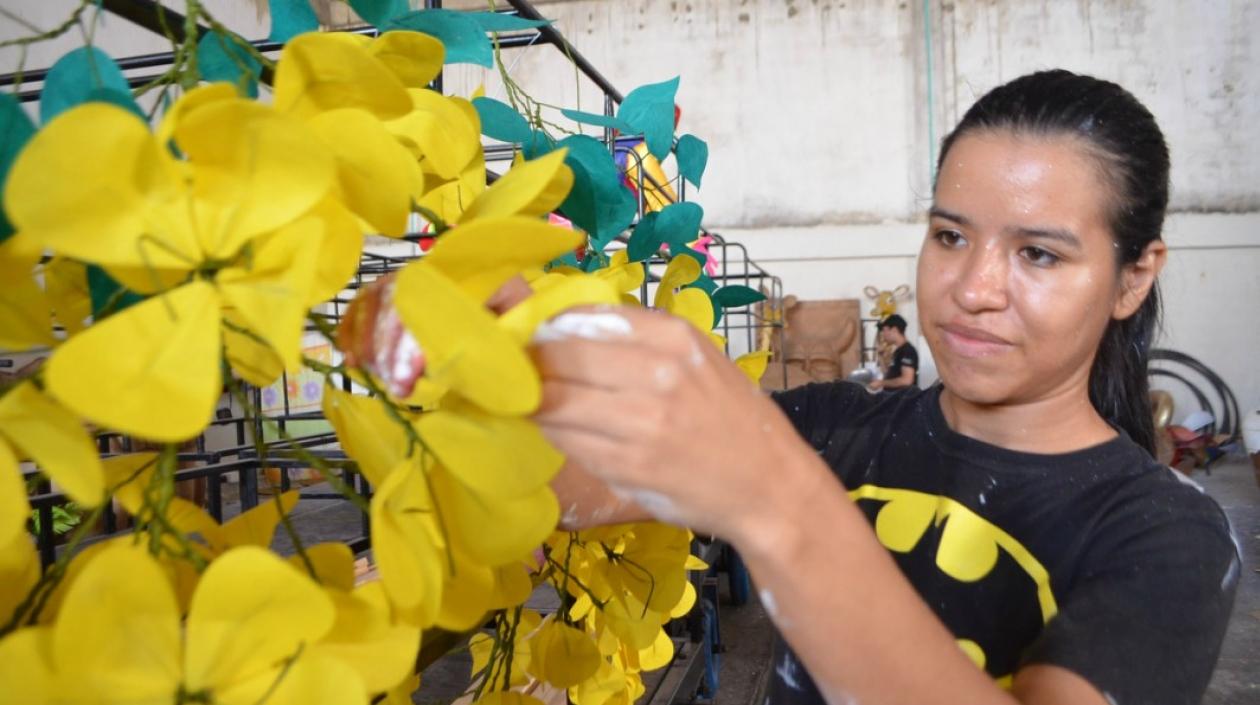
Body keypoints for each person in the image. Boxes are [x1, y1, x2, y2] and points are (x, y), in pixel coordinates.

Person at [529, 70, 1239, 705]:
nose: (973, 288)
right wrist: (496, 388)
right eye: (951, 237)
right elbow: (583, 484)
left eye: (1038, 253)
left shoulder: (1167, 535)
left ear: (1134, 277)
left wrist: (779, 501)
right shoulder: (834, 424)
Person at [869, 313, 918, 391]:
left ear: (894, 330)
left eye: (885, 330)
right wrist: (880, 355)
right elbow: (887, 374)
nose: (883, 334)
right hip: (893, 398)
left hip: (902, 401)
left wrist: (881, 383)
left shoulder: (908, 351)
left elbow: (907, 380)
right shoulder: (898, 351)